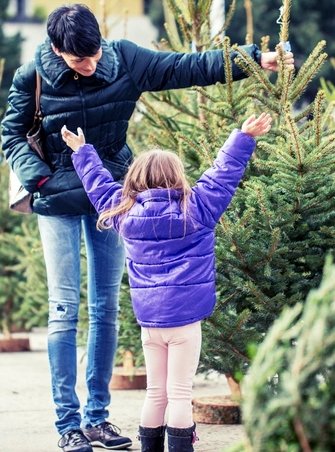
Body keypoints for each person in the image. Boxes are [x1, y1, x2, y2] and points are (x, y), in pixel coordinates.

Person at [1, 2, 293, 452]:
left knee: (104, 307)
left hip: (116, 197)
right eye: (81, 59)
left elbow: (186, 67)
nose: (93, 63)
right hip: (57, 198)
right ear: (57, 50)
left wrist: (254, 59)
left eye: (95, 52)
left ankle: (97, 418)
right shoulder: (32, 77)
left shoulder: (123, 60)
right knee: (64, 308)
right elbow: (12, 135)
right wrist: (41, 179)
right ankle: (68, 423)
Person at [61, 113, 273, 452]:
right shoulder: (198, 208)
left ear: (135, 180)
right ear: (177, 178)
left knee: (155, 393)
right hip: (185, 323)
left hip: (150, 323)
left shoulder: (124, 214)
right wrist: (244, 137)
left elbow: (98, 185)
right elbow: (223, 175)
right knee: (179, 394)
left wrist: (83, 150)